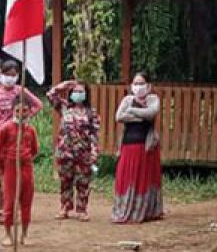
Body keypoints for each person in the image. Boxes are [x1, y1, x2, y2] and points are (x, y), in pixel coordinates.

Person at [0, 60, 42, 221]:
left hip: (12, 135)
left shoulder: (20, 91)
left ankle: (8, 209)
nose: (10, 78)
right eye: (7, 75)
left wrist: (24, 117)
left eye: (14, 75)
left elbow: (38, 104)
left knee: (9, 172)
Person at [113, 72, 164, 224]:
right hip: (129, 144)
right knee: (126, 176)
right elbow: (119, 117)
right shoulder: (127, 99)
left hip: (146, 146)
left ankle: (146, 210)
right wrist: (141, 116)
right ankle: (125, 209)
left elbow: (152, 113)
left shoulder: (153, 99)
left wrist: (132, 112)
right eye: (135, 83)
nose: (138, 87)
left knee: (145, 178)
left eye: (141, 83)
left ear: (148, 86)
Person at [47, 79, 101, 221]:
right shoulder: (64, 108)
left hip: (84, 152)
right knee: (66, 180)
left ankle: (82, 209)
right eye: (75, 91)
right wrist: (63, 85)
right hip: (66, 151)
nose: (78, 94)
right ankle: (65, 207)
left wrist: (95, 152)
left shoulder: (91, 113)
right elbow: (50, 95)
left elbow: (95, 134)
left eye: (81, 91)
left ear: (86, 94)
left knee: (83, 182)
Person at [0, 102, 39, 247]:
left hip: (26, 168)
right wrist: (3, 165)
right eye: (18, 110)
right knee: (10, 202)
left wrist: (27, 159)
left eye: (25, 110)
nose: (21, 114)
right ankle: (8, 234)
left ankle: (24, 234)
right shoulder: (6, 128)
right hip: (11, 167)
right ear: (13, 111)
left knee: (26, 201)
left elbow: (35, 149)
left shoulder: (30, 130)